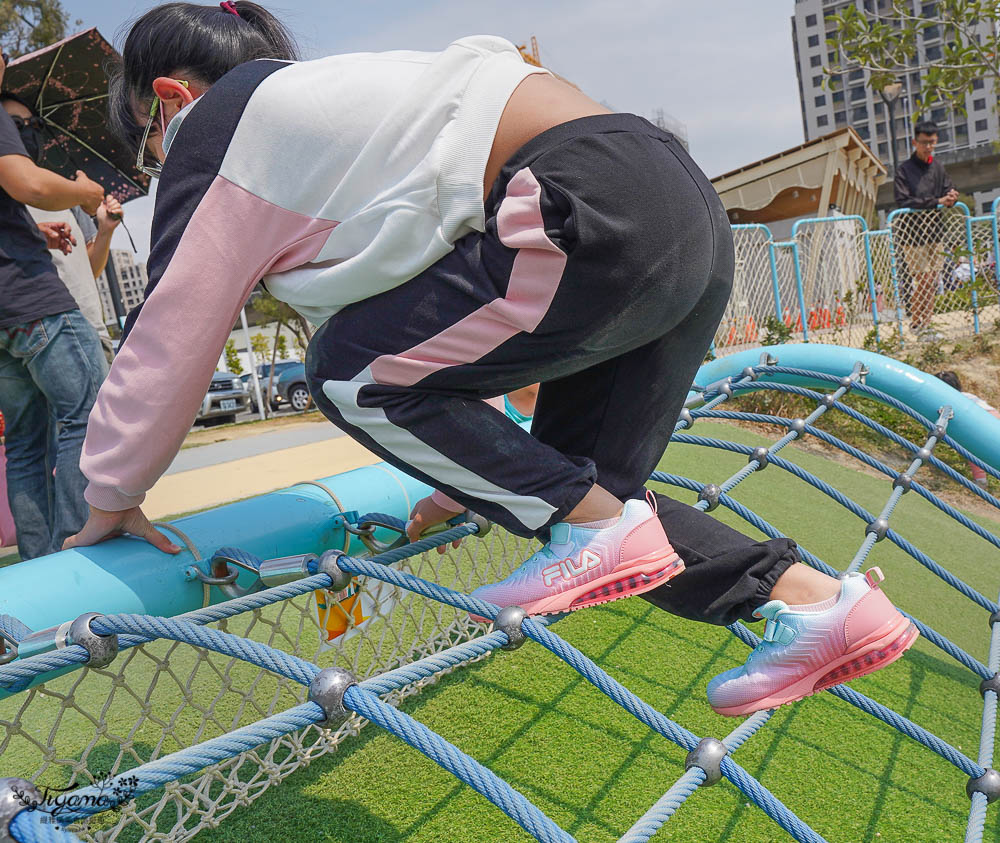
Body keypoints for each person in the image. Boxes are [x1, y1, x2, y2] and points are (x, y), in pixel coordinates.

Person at [66, 1, 916, 716]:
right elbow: (480, 312)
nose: (159, 171)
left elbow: (170, 332)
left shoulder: (219, 126)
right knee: (603, 508)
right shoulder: (360, 124)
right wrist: (475, 469)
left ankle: (594, 524)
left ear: (171, 100)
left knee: (346, 373)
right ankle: (818, 601)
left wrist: (111, 492)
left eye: (148, 147)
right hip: (673, 208)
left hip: (589, 205)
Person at [0, 55, 107, 559]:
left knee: (25, 441)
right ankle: (77, 551)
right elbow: (31, 184)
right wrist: (84, 193)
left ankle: (38, 572)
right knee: (87, 414)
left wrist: (31, 230)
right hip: (30, 298)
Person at [0, 95, 124, 363]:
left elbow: (86, 271)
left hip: (92, 333)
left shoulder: (67, 193)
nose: (28, 130)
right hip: (46, 337)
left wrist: (105, 230)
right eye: (15, 124)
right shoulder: (10, 200)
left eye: (34, 124)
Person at [893, 120, 959, 341]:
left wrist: (950, 197)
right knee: (923, 278)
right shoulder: (904, 170)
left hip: (935, 232)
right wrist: (936, 200)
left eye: (932, 142)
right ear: (915, 142)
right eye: (924, 143)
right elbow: (903, 201)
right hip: (913, 235)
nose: (928, 147)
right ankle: (917, 322)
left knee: (932, 279)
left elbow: (947, 188)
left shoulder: (938, 167)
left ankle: (924, 324)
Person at [935, 371, 1000, 489]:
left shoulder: (953, 401)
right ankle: (981, 480)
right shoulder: (967, 395)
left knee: (972, 448)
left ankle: (980, 481)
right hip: (994, 417)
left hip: (984, 420)